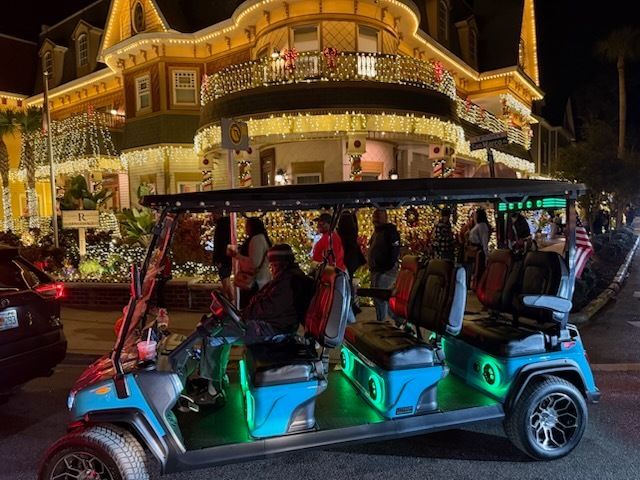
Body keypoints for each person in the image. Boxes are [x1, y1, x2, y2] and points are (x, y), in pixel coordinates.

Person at [196, 244, 315, 405]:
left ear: (280, 263)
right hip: (272, 326)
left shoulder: (289, 282)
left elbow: (268, 309)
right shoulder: (286, 278)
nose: (271, 268)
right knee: (219, 329)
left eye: (272, 265)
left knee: (213, 334)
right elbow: (265, 305)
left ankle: (213, 392)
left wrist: (242, 316)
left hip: (272, 330)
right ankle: (217, 380)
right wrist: (239, 315)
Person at [367, 208, 401, 322]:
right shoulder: (377, 232)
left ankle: (385, 321)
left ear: (385, 217)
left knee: (381, 297)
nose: (375, 217)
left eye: (378, 215)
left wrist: (386, 266)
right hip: (377, 270)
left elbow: (394, 251)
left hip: (385, 271)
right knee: (379, 297)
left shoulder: (389, 231)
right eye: (375, 215)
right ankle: (387, 320)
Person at [232, 216, 272, 308]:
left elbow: (254, 263)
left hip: (255, 281)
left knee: (250, 306)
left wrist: (236, 255)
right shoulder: (260, 238)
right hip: (260, 280)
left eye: (247, 225)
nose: (245, 228)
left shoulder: (256, 239)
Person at [337, 211, 366, 316]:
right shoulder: (352, 234)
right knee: (349, 283)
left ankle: (349, 308)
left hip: (344, 262)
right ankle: (352, 306)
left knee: (345, 284)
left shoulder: (340, 236)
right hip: (352, 260)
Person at [467, 208, 490, 288]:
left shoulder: (482, 226)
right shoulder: (478, 225)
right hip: (474, 250)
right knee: (475, 269)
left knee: (478, 270)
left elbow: (484, 240)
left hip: (478, 251)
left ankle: (478, 286)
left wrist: (486, 254)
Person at [212, 215, 233, 301]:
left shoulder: (220, 228)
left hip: (222, 259)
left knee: (225, 283)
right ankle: (230, 301)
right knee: (227, 282)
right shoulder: (229, 232)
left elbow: (218, 246)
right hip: (227, 259)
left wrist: (217, 259)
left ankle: (227, 302)